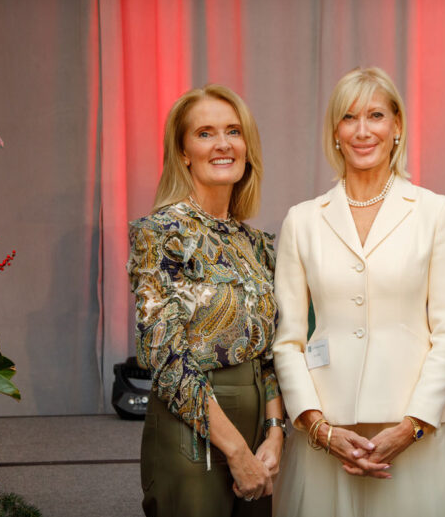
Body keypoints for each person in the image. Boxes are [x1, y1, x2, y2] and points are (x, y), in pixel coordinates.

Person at [271, 67, 445, 517]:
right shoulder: (302, 221)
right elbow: (286, 341)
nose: (363, 130)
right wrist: (318, 427)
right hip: (328, 435)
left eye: (376, 116)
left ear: (398, 126)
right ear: (335, 132)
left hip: (414, 434)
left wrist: (411, 426)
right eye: (349, 118)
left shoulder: (435, 212)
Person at [127, 84, 284, 517]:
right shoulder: (159, 233)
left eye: (233, 131)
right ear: (182, 153)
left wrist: (274, 432)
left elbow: (269, 353)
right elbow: (166, 358)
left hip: (258, 432)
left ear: (247, 147)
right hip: (192, 430)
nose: (222, 144)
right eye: (205, 133)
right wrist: (236, 450)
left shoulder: (259, 244)